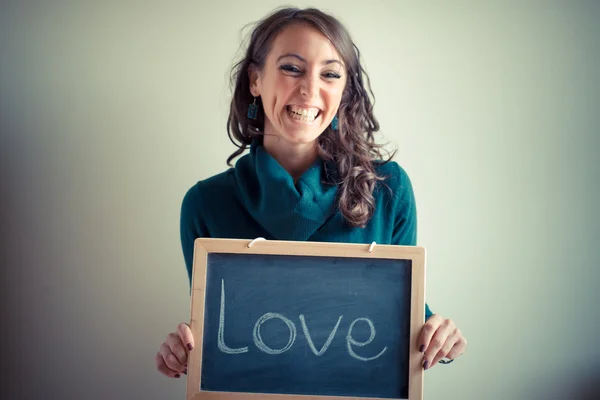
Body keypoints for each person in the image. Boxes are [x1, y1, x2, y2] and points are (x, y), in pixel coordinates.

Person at [156, 7, 467, 380]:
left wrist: (437, 334)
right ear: (255, 79)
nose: (309, 89)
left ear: (343, 91)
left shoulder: (388, 190)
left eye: (330, 74)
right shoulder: (205, 205)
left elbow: (403, 319)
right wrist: (183, 351)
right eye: (291, 68)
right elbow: (218, 337)